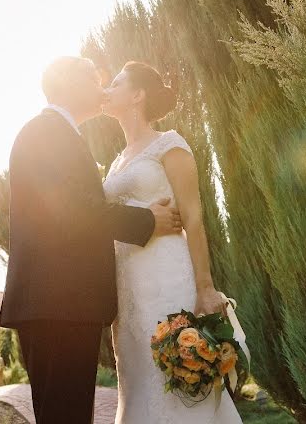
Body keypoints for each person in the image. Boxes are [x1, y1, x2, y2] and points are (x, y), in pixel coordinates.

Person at [0, 56, 184, 424]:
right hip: (55, 303)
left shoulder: (57, 132)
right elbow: (72, 210)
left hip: (59, 303)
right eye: (93, 78)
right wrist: (146, 219)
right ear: (70, 83)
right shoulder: (46, 132)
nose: (101, 86)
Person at [102, 61, 243, 423]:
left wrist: (206, 287)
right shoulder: (116, 162)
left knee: (179, 384)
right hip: (127, 291)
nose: (107, 87)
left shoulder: (170, 145)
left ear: (138, 95)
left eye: (116, 82)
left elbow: (193, 219)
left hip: (167, 281)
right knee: (138, 385)